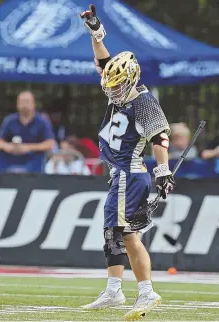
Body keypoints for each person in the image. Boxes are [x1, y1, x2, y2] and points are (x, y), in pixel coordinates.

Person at [80, 5, 175, 321]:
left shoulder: (144, 101)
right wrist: (96, 30)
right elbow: (103, 60)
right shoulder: (116, 84)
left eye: (119, 85)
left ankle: (147, 291)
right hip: (118, 174)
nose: (114, 90)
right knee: (112, 233)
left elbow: (161, 135)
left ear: (132, 80)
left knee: (127, 234)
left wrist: (163, 171)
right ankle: (114, 289)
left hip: (130, 173)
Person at [0, 91, 55, 173]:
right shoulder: (9, 120)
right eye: (22, 102)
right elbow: (0, 142)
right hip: (11, 158)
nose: (24, 105)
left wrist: (28, 147)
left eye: (27, 102)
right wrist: (8, 146)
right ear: (17, 104)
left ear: (33, 104)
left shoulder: (43, 121)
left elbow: (50, 144)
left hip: (34, 160)